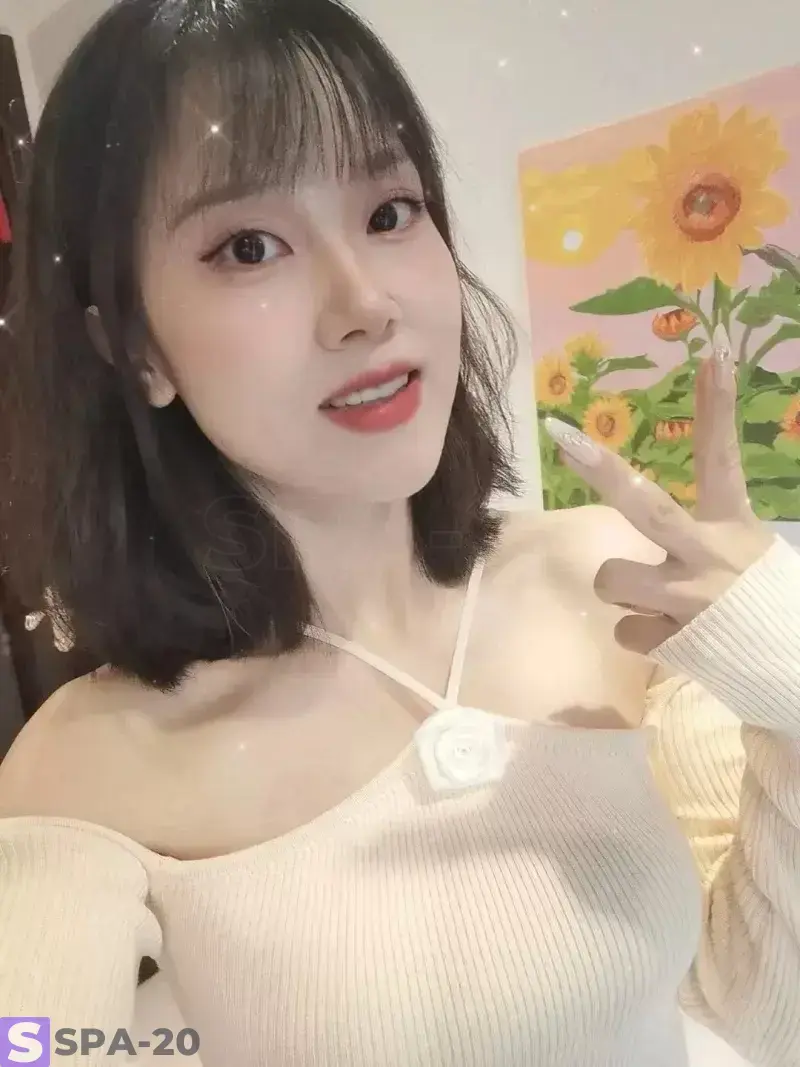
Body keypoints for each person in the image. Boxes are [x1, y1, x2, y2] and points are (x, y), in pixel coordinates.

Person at [0, 1, 799, 1065]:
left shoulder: (607, 578)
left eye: (389, 211)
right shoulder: (90, 757)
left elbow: (756, 1013)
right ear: (135, 348)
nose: (365, 302)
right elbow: (33, 1038)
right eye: (249, 246)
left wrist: (784, 671)